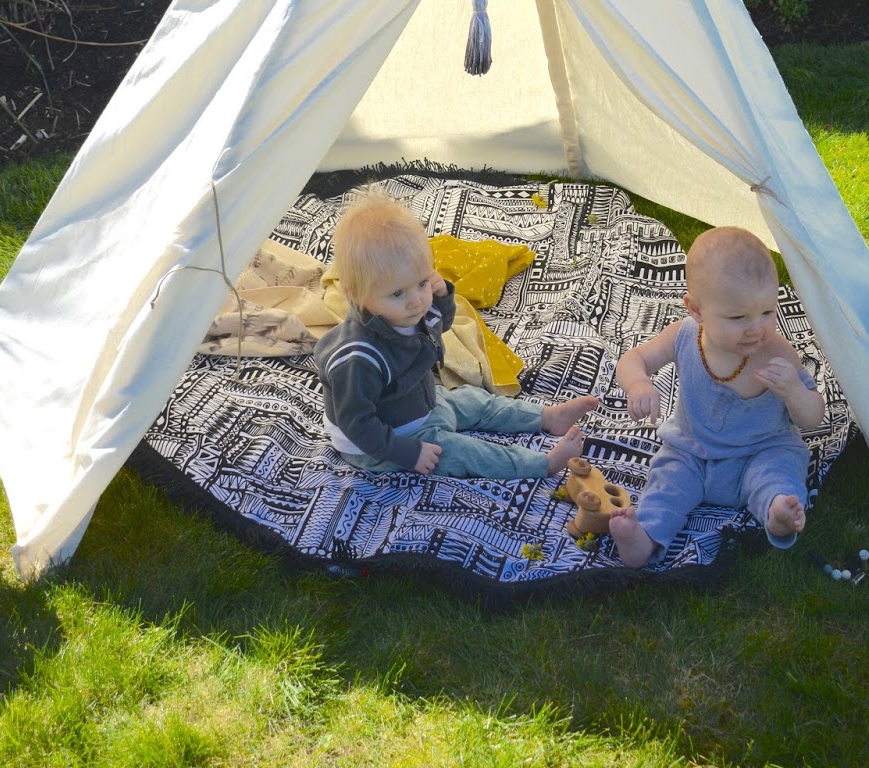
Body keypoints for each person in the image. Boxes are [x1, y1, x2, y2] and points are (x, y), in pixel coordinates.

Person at [314, 193, 598, 478]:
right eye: (398, 293)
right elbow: (358, 424)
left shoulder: (403, 310)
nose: (416, 301)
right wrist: (409, 453)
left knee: (475, 400)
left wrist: (442, 297)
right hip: (384, 441)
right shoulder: (358, 360)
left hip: (420, 403)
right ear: (355, 294)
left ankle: (547, 417)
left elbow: (441, 326)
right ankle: (541, 464)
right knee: (465, 452)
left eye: (422, 282)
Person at [609, 224, 825, 567]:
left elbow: (813, 418)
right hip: (692, 452)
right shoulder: (684, 336)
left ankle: (777, 512)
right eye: (738, 317)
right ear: (696, 310)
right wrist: (638, 384)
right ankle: (643, 538)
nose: (757, 328)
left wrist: (795, 391)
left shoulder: (776, 353)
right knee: (667, 482)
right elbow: (634, 359)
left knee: (779, 472)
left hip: (759, 453)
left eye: (768, 312)